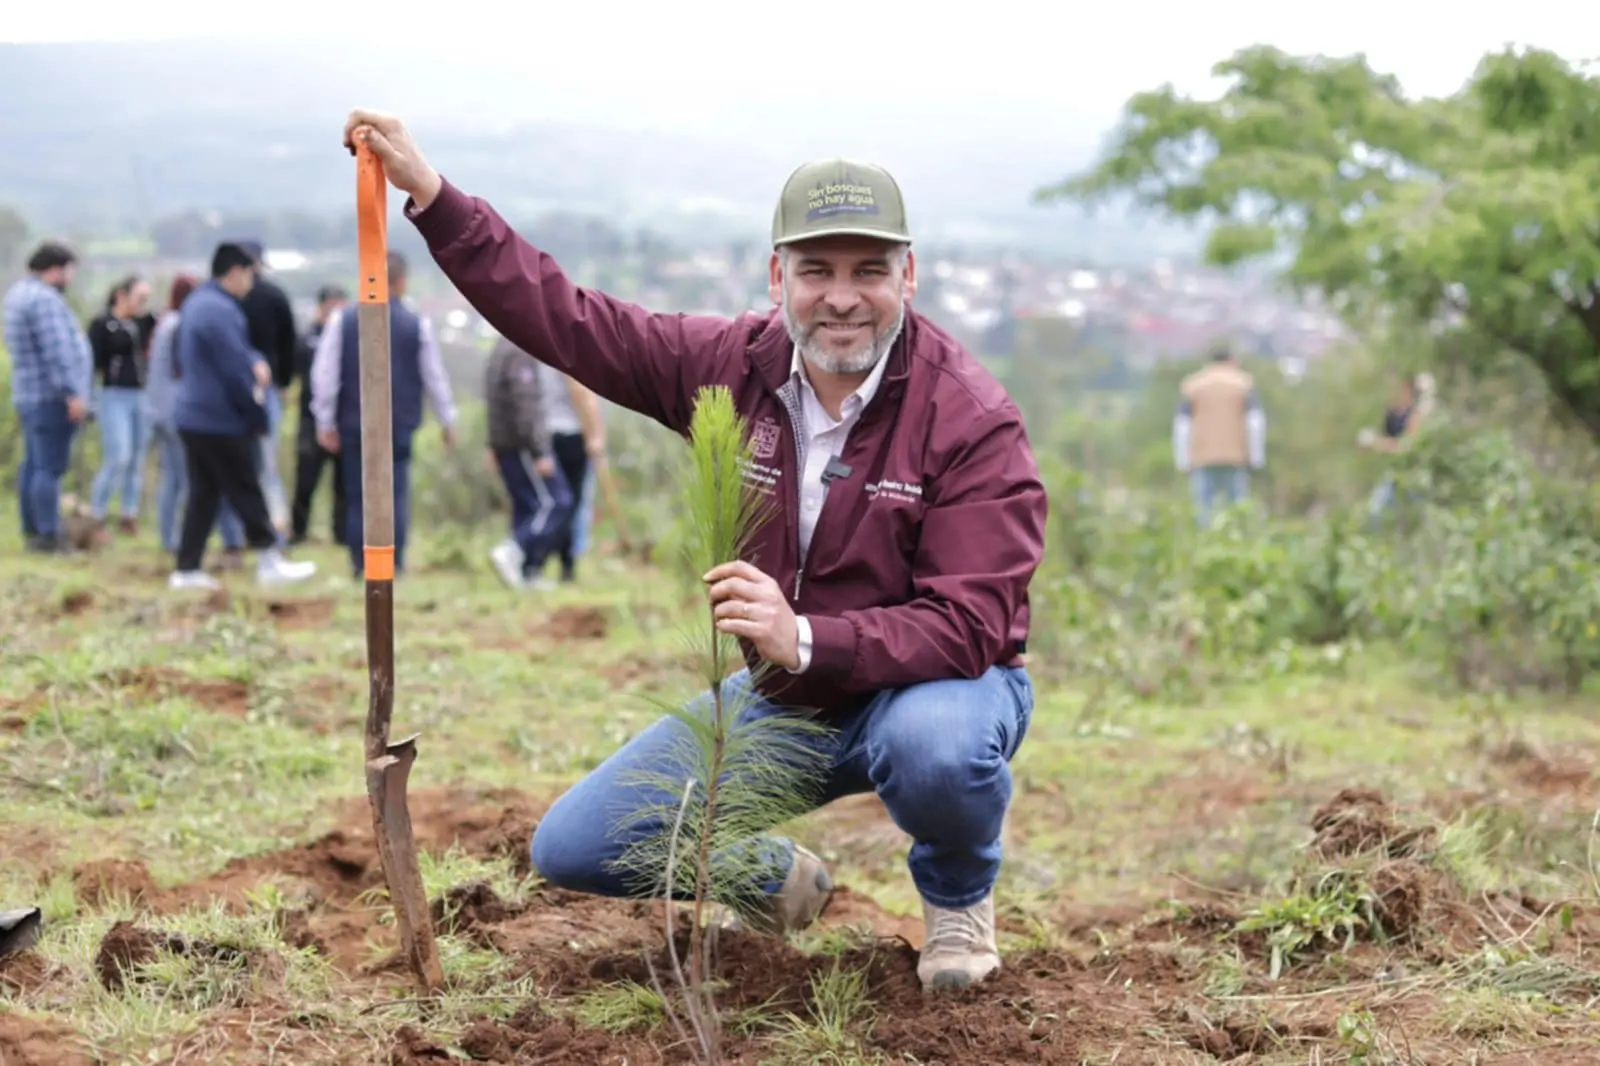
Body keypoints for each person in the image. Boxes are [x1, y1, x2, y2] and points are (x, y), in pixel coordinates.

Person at [343, 110, 1047, 992]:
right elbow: (570, 321)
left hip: (937, 688)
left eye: (869, 270)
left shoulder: (968, 415)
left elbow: (972, 621)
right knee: (576, 844)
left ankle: (955, 905)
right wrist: (435, 199)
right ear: (775, 274)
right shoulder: (730, 369)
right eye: (815, 269)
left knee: (936, 748)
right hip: (794, 700)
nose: (841, 296)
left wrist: (808, 639)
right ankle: (780, 882)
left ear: (908, 276)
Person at [168, 242, 317, 591]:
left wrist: (252, 360)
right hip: (218, 418)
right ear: (235, 272)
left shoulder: (201, 303)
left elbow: (237, 357)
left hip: (196, 415)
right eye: (251, 273)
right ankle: (268, 560)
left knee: (205, 493)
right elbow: (235, 370)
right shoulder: (219, 311)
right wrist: (255, 414)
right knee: (245, 487)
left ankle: (187, 568)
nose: (253, 280)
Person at [310, 251, 457, 579]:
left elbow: (325, 375)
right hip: (398, 422)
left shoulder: (342, 320)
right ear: (402, 281)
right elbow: (434, 376)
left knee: (357, 494)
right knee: (396, 494)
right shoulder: (416, 324)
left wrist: (324, 420)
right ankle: (395, 563)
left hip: (353, 422)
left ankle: (361, 565)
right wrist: (447, 418)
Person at [145, 274, 248, 559]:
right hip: (180, 412)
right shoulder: (182, 325)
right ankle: (218, 543)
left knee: (173, 480)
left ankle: (170, 538)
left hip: (158, 410)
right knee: (199, 483)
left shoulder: (164, 323)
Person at [3, 241, 92, 554]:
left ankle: (33, 530)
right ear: (56, 270)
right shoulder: (44, 300)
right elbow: (57, 352)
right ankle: (48, 534)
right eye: (69, 272)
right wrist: (73, 392)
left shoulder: (16, 295)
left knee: (33, 465)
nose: (69, 279)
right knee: (49, 468)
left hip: (27, 393)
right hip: (49, 396)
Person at [483, 335, 573, 590]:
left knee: (527, 506)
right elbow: (525, 406)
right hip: (522, 445)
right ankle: (514, 549)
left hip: (506, 444)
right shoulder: (519, 352)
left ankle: (525, 574)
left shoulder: (500, 347)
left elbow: (494, 402)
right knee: (556, 502)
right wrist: (540, 451)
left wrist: (492, 443)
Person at [236, 240, 298, 533]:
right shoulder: (275, 296)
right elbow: (290, 345)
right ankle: (274, 529)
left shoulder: (227, 298)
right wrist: (284, 382)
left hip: (233, 391)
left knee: (237, 464)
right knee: (267, 466)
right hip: (267, 389)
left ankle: (242, 531)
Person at [86, 275, 154, 536]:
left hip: (141, 395)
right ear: (122, 295)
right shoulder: (103, 325)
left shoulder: (145, 323)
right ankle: (97, 514)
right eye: (139, 298)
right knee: (118, 456)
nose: (143, 304)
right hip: (114, 395)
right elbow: (92, 364)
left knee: (136, 458)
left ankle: (129, 513)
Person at [1173, 342, 1264, 528]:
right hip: (1235, 455)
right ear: (1231, 360)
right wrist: (1256, 457)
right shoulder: (1244, 384)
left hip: (1202, 456)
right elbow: (1255, 422)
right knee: (1238, 508)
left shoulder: (1193, 385)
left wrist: (1182, 459)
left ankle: (1205, 547)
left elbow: (1183, 425)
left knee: (1203, 509)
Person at [534, 362, 607, 584]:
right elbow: (581, 392)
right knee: (570, 503)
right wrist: (596, 434)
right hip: (571, 435)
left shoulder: (541, 355)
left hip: (548, 434)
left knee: (559, 501)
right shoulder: (566, 355)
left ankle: (556, 562)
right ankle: (559, 564)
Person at [288, 284, 349, 546]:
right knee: (305, 481)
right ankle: (298, 531)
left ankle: (342, 534)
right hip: (311, 420)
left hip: (344, 419)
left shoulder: (350, 337)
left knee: (343, 484)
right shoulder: (308, 338)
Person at [1359, 370, 1434, 527]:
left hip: (1414, 475)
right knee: (1375, 512)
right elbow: (1386, 445)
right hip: (1395, 475)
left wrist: (1378, 442)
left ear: (1406, 388)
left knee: (1419, 517)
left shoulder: (1416, 413)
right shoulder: (1390, 415)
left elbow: (1408, 445)